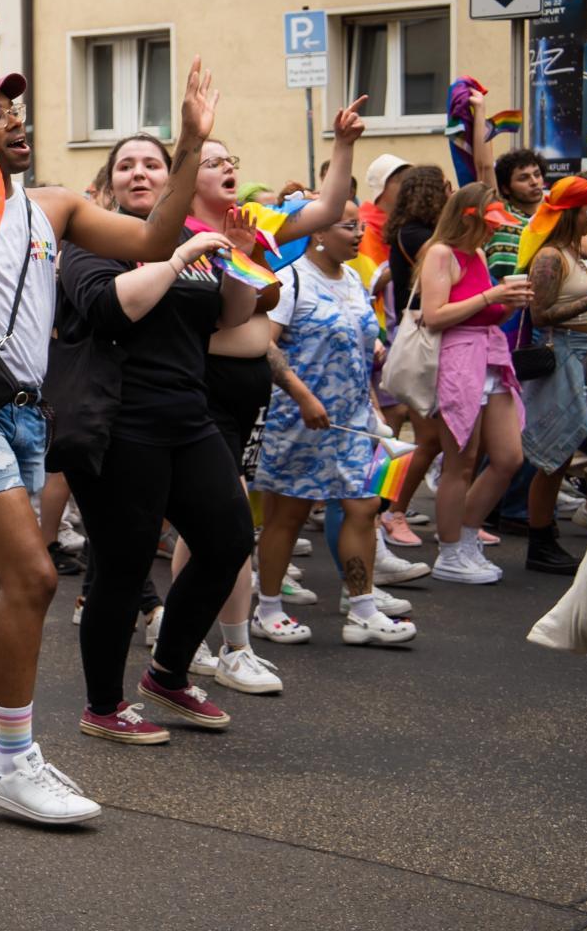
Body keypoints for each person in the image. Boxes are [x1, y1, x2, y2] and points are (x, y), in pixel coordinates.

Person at [0, 60, 217, 823]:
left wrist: (190, 147)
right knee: (33, 578)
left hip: (27, 415)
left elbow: (154, 237)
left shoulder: (54, 207)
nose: (15, 120)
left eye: (16, 111)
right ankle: (13, 759)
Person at [55, 134, 261, 743]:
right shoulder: (92, 243)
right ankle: (103, 705)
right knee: (122, 565)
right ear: (111, 181)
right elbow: (113, 311)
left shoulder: (191, 246)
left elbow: (227, 317)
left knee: (227, 541)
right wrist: (172, 259)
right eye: (126, 165)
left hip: (187, 417)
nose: (139, 173)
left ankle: (168, 671)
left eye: (152, 163)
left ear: (170, 177)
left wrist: (242, 262)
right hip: (120, 422)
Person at [168, 100, 368, 656]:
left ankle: (193, 636)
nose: (227, 166)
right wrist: (251, 329)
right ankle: (221, 644)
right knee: (226, 523)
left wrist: (342, 141)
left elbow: (327, 209)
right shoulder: (173, 231)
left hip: (244, 397)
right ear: (186, 176)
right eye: (212, 162)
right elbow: (193, 328)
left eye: (229, 158)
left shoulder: (254, 222)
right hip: (198, 392)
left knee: (207, 529)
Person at [253, 202, 418, 647]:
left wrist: (372, 407)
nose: (360, 233)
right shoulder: (291, 281)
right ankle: (268, 608)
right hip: (299, 420)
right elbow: (264, 348)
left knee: (364, 507)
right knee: (288, 514)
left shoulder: (353, 279)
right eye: (350, 225)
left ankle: (362, 611)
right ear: (317, 232)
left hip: (353, 422)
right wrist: (304, 396)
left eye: (360, 224)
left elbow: (358, 353)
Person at [416, 183, 532, 583]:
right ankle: (450, 551)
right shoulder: (440, 253)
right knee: (460, 462)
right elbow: (434, 316)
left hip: (489, 358)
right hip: (458, 361)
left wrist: (507, 305)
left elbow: (483, 315)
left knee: (508, 457)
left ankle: (465, 538)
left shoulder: (478, 254)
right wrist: (492, 298)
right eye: (487, 224)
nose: (491, 232)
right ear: (467, 217)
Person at [517, 175, 587, 576]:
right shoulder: (551, 256)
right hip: (565, 358)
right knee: (555, 457)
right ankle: (541, 542)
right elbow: (539, 315)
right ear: (573, 213)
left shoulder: (572, 250)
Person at [376, 165, 452, 547]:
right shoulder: (416, 235)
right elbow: (448, 261)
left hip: (430, 338)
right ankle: (389, 510)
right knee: (427, 439)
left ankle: (387, 509)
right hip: (421, 338)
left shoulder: (414, 232)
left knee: (432, 438)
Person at [488, 149, 545, 281]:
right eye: (523, 178)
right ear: (505, 188)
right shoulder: (502, 221)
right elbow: (505, 281)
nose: (534, 182)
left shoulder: (553, 216)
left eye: (537, 174)